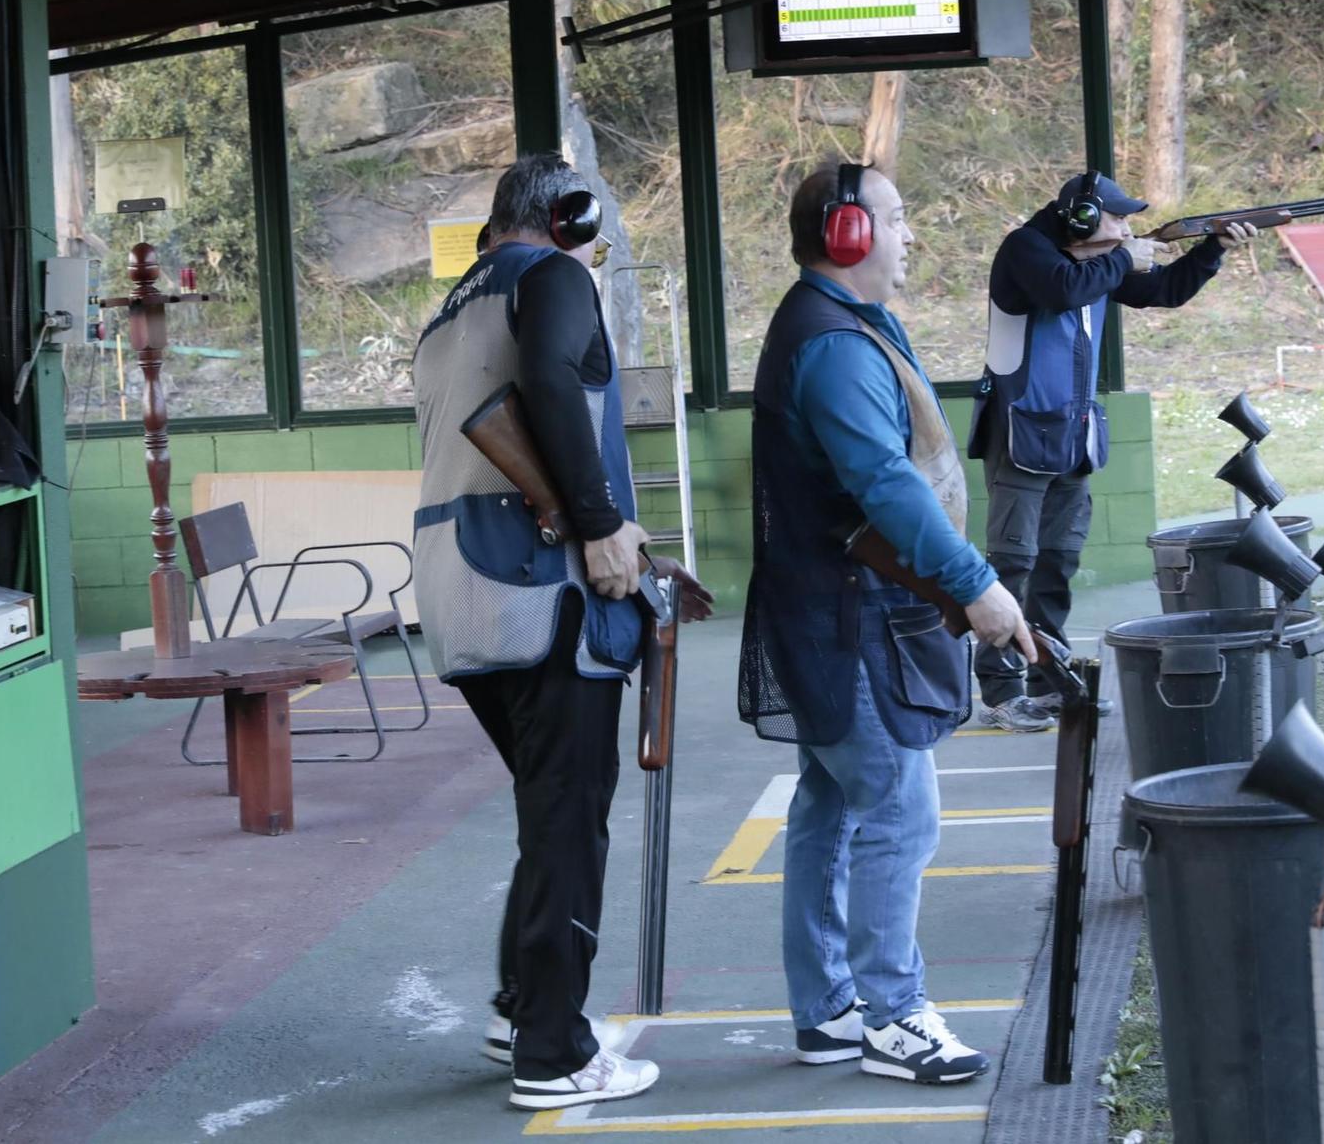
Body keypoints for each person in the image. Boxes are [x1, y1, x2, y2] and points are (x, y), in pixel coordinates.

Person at [411, 151, 709, 1111]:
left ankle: (518, 1008)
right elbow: (547, 383)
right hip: (543, 590)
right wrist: (598, 523)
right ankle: (554, 1050)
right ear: (571, 219)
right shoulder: (553, 278)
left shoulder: (450, 309)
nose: (600, 249)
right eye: (596, 232)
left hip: (460, 588)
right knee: (569, 818)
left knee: (549, 813)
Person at [738, 159, 1035, 1085]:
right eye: (895, 219)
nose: (909, 235)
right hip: (847, 616)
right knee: (899, 813)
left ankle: (829, 1011)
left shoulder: (842, 327)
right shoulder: (832, 344)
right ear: (847, 236)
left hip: (835, 610)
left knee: (831, 810)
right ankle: (893, 1016)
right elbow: (887, 486)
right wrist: (978, 585)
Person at [969, 172, 1256, 732]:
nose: (1127, 228)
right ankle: (1001, 690)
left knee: (1056, 563)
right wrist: (1127, 258)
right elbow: (1062, 289)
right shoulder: (1026, 250)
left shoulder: (1096, 264)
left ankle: (1044, 681)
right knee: (1011, 564)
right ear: (1078, 218)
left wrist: (1212, 248)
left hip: (1072, 439)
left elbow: (1165, 291)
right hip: (1020, 431)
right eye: (1117, 217)